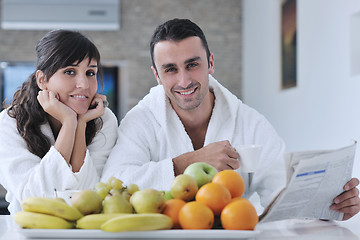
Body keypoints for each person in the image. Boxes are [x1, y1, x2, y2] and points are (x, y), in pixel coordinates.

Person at [101, 18, 360, 220]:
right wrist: (189, 162)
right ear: (157, 76)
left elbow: (280, 191)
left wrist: (330, 205)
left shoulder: (249, 122)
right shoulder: (141, 120)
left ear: (210, 63)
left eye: (193, 64)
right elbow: (115, 182)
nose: (184, 81)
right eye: (170, 69)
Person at [0, 30, 118, 214]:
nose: (84, 84)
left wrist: (80, 126)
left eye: (90, 72)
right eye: (69, 71)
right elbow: (35, 198)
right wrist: (69, 122)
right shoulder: (10, 123)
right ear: (42, 79)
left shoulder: (104, 119)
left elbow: (90, 193)